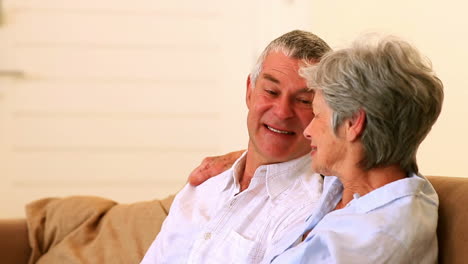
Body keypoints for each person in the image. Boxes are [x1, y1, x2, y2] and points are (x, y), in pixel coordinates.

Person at [140, 30, 331, 263]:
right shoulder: (204, 185)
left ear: (324, 111)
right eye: (271, 92)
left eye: (303, 101)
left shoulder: (309, 211)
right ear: (250, 91)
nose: (282, 111)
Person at [256, 34, 442, 262]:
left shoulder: (374, 239)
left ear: (353, 123)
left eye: (317, 115)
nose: (308, 131)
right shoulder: (359, 184)